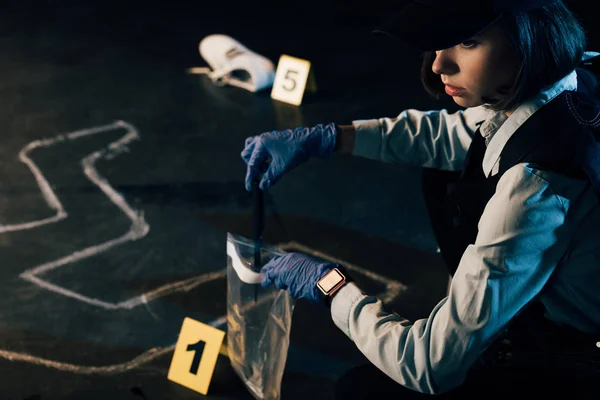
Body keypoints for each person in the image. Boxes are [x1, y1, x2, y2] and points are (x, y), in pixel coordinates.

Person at [241, 0, 600, 397]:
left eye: (467, 42)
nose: (438, 64)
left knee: (360, 391)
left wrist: (328, 286)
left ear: (530, 42)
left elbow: (427, 365)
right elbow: (455, 135)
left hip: (571, 361)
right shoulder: (565, 83)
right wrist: (329, 137)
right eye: (439, 43)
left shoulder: (535, 189)